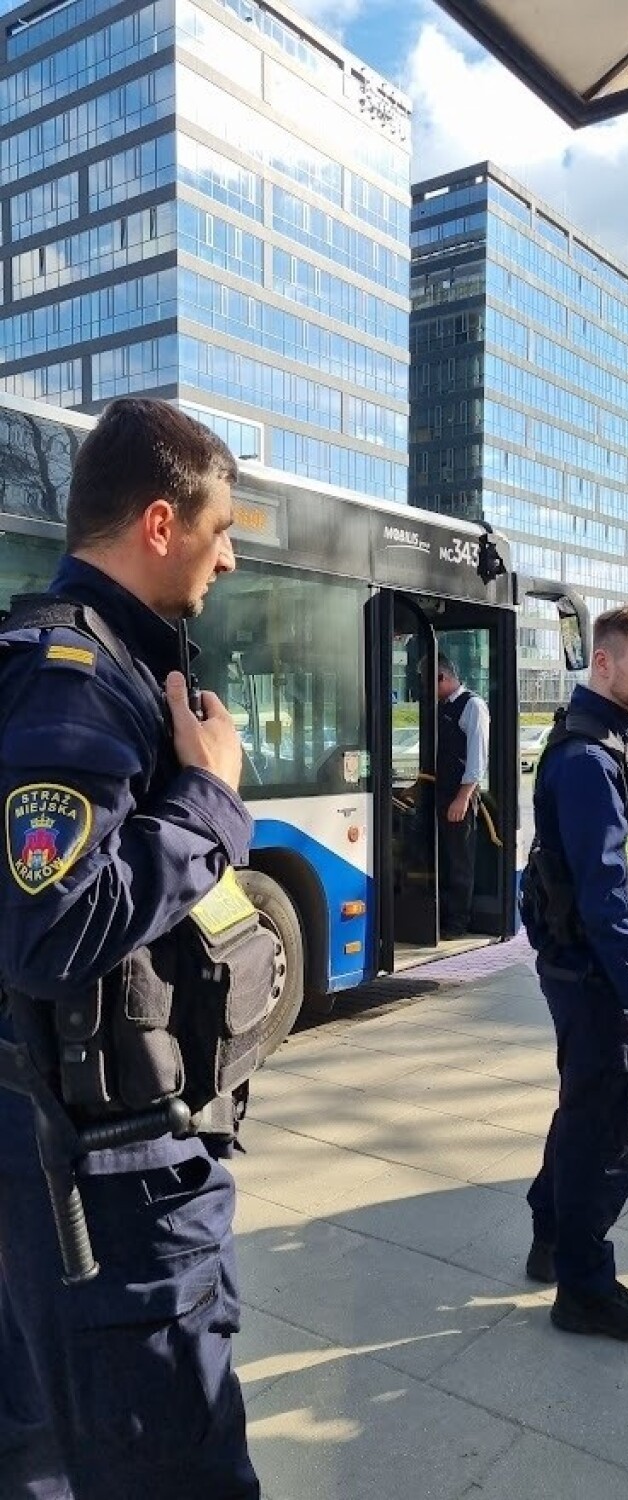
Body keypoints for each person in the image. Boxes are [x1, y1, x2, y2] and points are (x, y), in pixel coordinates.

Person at [0, 398, 261, 1498]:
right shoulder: (78, 675)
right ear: (160, 524)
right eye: (220, 530)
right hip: (112, 1187)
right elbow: (51, 928)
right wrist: (207, 798)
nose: (232, 557)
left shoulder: (74, 662)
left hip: (77, 1158)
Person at [521, 604, 628, 1342]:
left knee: (582, 1104)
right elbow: (604, 892)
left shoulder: (601, 739)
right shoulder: (587, 757)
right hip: (598, 976)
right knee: (607, 1125)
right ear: (604, 662)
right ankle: (584, 1289)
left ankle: (550, 1232)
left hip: (579, 966)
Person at [436, 654, 490, 937]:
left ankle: (458, 923)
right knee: (443, 858)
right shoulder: (443, 706)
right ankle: (442, 916)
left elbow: (477, 759)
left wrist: (463, 797)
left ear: (442, 678)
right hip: (440, 791)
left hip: (460, 795)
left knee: (460, 861)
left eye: (426, 681)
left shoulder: (472, 706)